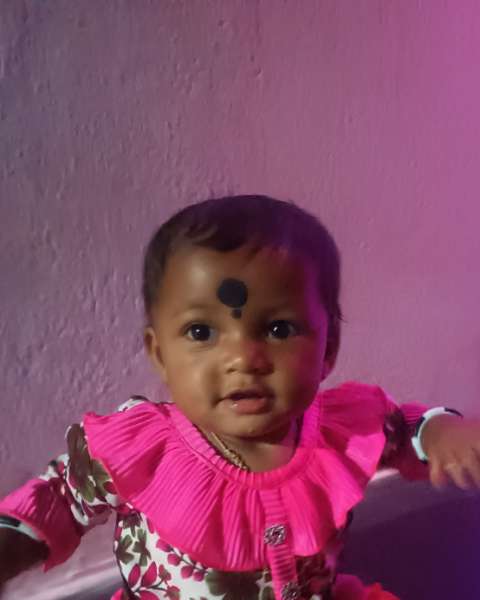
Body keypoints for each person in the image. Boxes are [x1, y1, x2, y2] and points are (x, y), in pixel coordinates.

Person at [1, 195, 479, 600]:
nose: (244, 358)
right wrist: (11, 546)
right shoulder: (141, 450)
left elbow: (403, 430)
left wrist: (440, 431)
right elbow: (62, 496)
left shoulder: (343, 429)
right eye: (201, 332)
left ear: (328, 347)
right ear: (160, 354)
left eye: (278, 329)